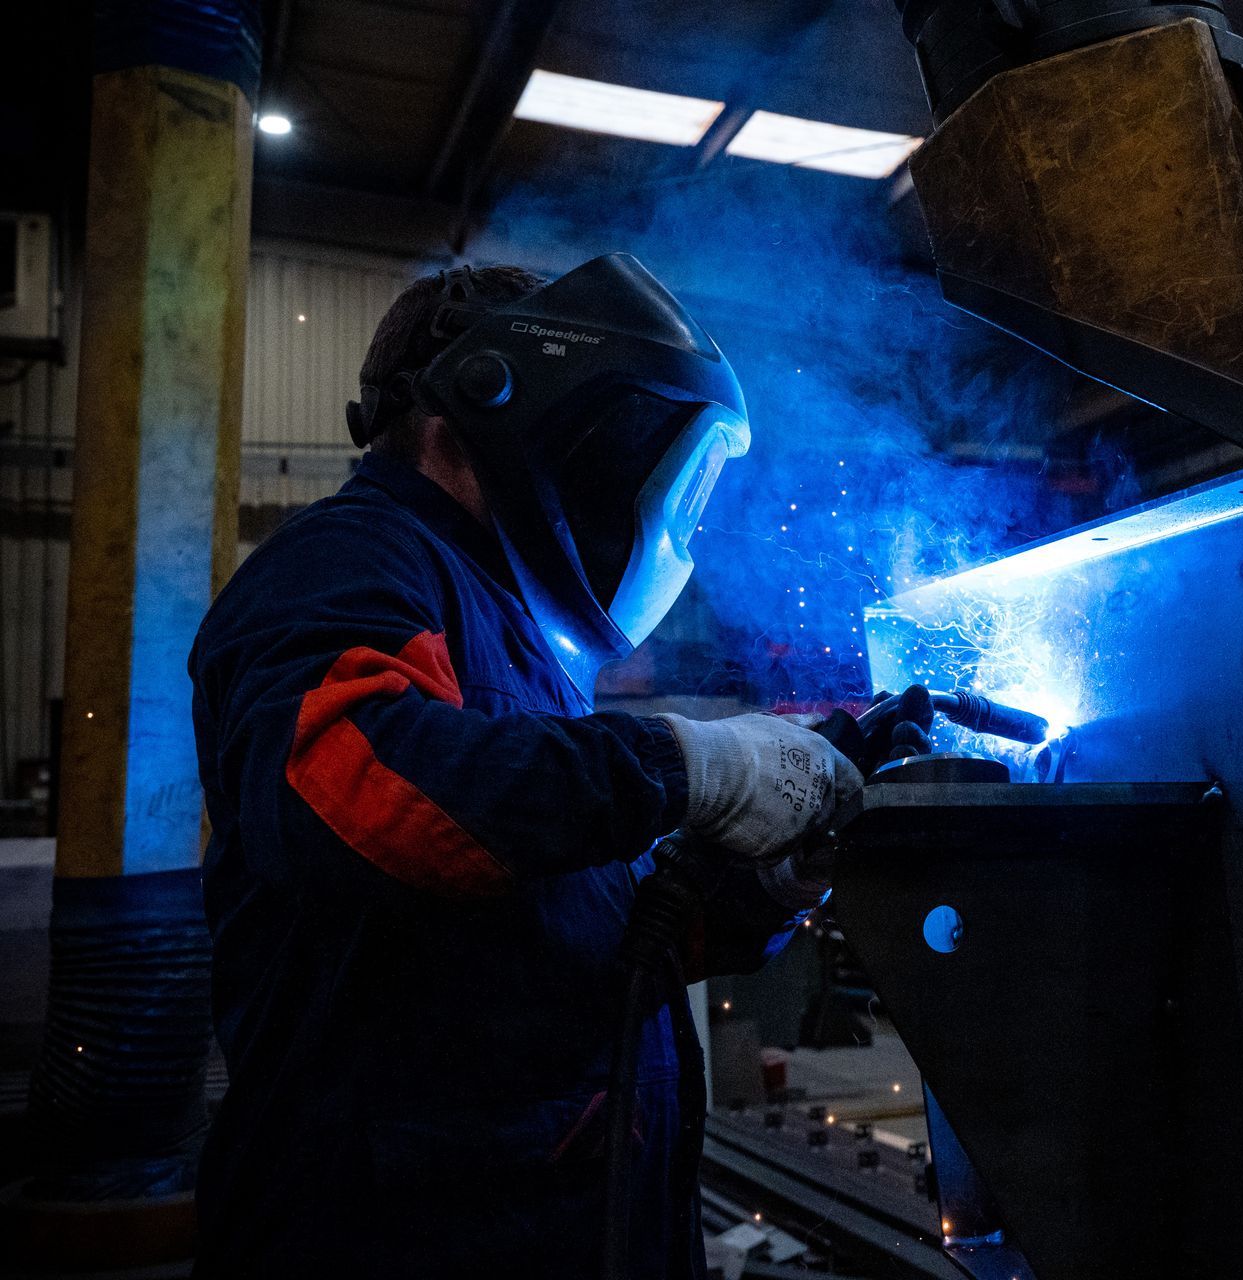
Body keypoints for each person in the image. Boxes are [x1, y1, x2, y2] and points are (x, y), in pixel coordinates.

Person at [187, 256, 861, 1277]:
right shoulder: (350, 563)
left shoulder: (513, 636)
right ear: (495, 405)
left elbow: (580, 933)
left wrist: (764, 878)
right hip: (390, 1241)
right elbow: (361, 793)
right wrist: (692, 762)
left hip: (549, 1225)